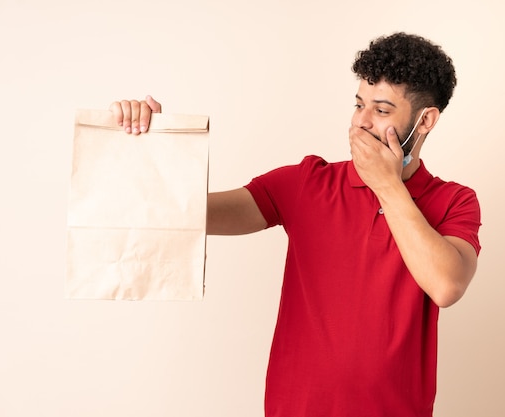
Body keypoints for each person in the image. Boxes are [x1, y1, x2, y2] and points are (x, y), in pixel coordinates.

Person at [110, 32, 481, 417]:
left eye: (382, 110)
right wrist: (150, 145)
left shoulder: (454, 201)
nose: (361, 122)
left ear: (425, 121)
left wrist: (386, 184)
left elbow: (446, 285)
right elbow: (179, 215)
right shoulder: (308, 182)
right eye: (358, 105)